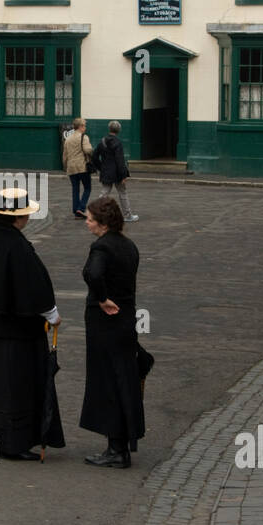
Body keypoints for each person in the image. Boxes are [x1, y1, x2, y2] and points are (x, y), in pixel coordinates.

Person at [0, 187, 63, 461]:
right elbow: (34, 287)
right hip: (17, 333)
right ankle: (13, 442)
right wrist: (52, 314)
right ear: (18, 218)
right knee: (16, 387)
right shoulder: (17, 246)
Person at [79, 195, 145, 468]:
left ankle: (116, 448)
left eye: (90, 219)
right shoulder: (128, 246)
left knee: (107, 381)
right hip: (126, 321)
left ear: (103, 223)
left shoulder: (101, 248)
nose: (87, 223)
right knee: (123, 380)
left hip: (106, 324)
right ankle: (120, 444)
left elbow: (94, 275)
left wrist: (101, 297)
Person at [90, 120, 137, 221]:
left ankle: (95, 213)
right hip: (117, 173)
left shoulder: (102, 141)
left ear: (109, 129)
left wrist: (101, 167)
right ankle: (128, 215)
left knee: (104, 193)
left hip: (106, 172)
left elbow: (94, 157)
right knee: (122, 193)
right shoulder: (118, 143)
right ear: (118, 130)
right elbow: (120, 160)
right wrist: (124, 175)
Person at [62, 117, 93, 218]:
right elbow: (88, 150)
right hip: (82, 166)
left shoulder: (68, 139)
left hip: (71, 168)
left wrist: (66, 166)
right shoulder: (84, 137)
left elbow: (65, 156)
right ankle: (81, 208)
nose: (85, 127)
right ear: (80, 126)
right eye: (84, 125)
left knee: (75, 189)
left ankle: (76, 211)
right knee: (87, 188)